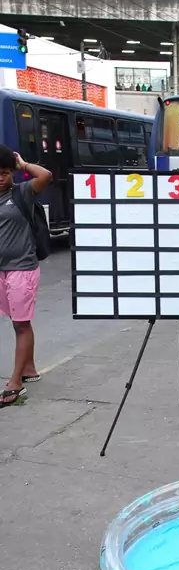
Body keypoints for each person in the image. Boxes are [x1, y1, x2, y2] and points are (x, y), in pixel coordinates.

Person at [0, 145, 52, 407]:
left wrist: (23, 165)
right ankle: (29, 369)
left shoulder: (22, 192)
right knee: (16, 322)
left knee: (21, 324)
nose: (0, 178)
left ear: (12, 173)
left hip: (22, 268)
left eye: (4, 172)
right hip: (1, 270)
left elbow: (46, 176)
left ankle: (15, 383)